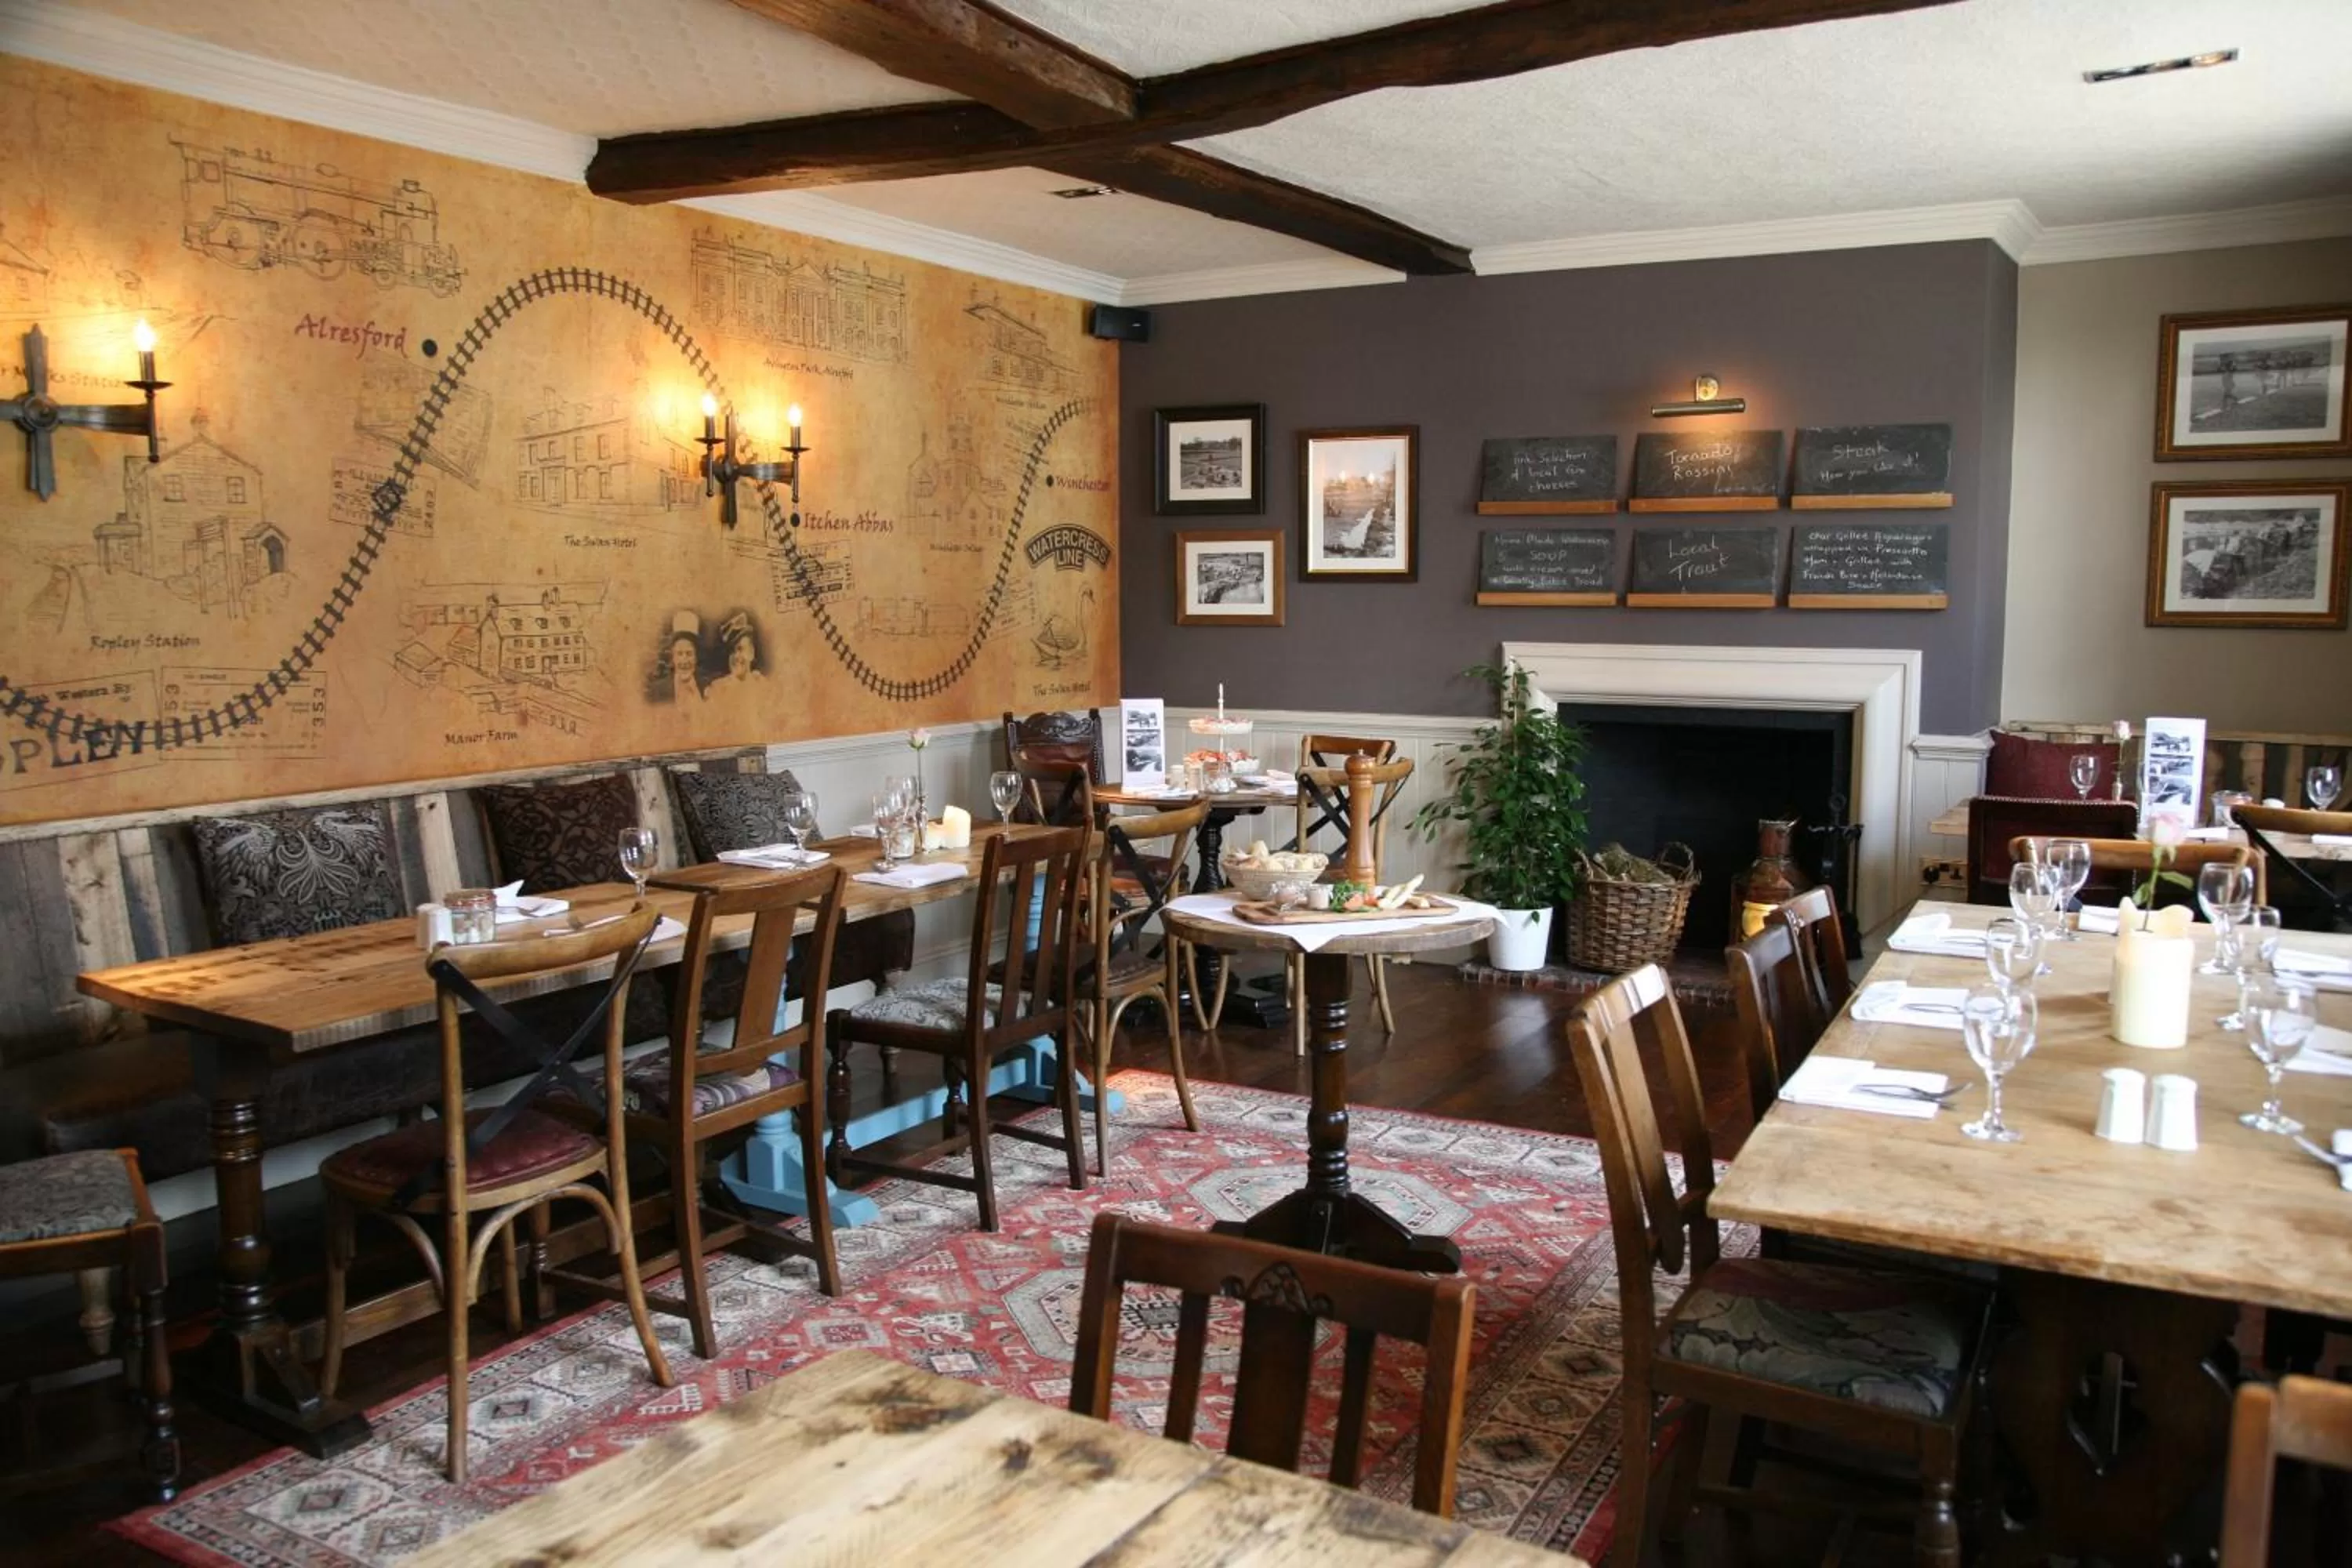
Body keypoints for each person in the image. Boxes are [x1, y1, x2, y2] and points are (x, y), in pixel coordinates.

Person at [704, 610, 765, 697]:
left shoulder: (763, 687)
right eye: (732, 651)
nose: (736, 656)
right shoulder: (717, 690)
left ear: (751, 652)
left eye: (740, 649)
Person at [667, 610, 704, 703]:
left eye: (689, 654)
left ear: (696, 657)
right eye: (679, 654)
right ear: (673, 657)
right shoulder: (658, 691)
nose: (684, 660)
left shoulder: (708, 688)